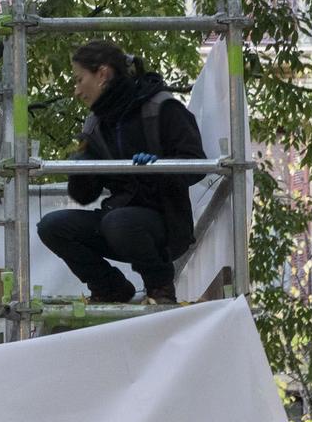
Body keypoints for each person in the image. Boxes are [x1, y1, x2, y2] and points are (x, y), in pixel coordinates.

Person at [37, 40, 206, 305]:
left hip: (166, 228)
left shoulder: (162, 108)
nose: (77, 91)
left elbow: (196, 165)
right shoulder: (96, 125)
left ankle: (160, 289)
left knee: (119, 222)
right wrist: (80, 168)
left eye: (80, 80)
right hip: (116, 222)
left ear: (102, 74)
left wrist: (160, 167)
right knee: (52, 227)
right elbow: (84, 195)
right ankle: (110, 288)